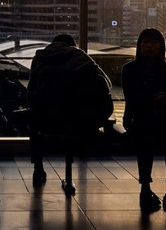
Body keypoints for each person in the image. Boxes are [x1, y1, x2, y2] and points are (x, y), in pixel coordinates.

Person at [27, 33, 113, 189]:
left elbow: (31, 90)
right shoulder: (79, 56)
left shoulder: (39, 57)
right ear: (72, 45)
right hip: (75, 119)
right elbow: (105, 83)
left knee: (35, 117)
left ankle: (38, 167)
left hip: (44, 120)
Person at [121, 28, 166, 212]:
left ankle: (156, 188)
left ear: (161, 47)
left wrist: (164, 101)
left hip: (159, 117)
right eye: (146, 42)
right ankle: (163, 188)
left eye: (154, 43)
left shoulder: (134, 69)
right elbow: (131, 99)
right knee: (154, 137)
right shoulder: (130, 69)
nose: (149, 47)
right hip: (141, 117)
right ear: (139, 45)